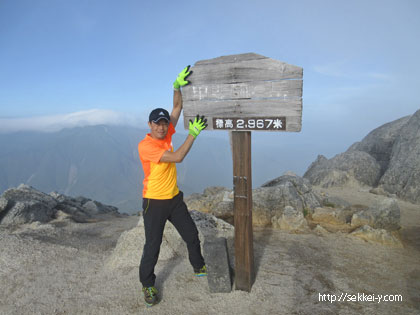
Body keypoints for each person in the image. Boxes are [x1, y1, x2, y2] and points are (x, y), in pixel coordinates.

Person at [137, 66, 208, 307]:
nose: (162, 126)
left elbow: (177, 108)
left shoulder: (166, 135)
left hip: (174, 199)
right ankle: (148, 285)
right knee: (152, 247)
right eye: (157, 123)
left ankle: (199, 265)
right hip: (154, 202)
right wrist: (193, 135)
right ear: (150, 125)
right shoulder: (146, 146)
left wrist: (176, 87)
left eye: (164, 123)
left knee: (191, 234)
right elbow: (177, 157)